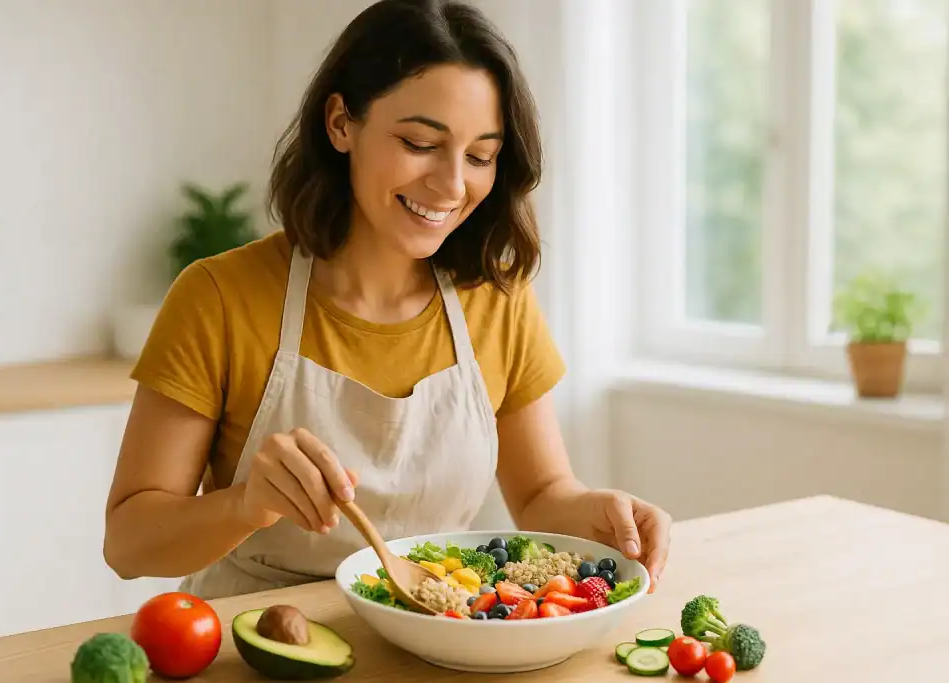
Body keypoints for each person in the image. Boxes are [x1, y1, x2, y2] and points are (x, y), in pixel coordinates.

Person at [102, 0, 671, 601]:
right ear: (341, 123)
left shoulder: (497, 299)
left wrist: (603, 514)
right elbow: (129, 544)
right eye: (421, 142)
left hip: (437, 639)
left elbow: (539, 496)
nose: (453, 185)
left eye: (480, 156)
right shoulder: (219, 297)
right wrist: (246, 503)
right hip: (256, 641)